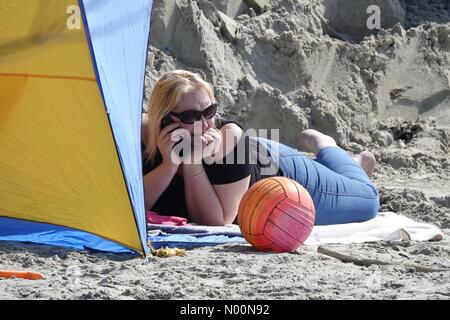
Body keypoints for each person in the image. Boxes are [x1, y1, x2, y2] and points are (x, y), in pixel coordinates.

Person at [141, 70, 379, 226]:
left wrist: (192, 164)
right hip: (256, 154)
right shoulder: (143, 133)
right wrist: (169, 163)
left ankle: (331, 149)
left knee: (368, 200)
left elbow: (217, 222)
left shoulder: (228, 140)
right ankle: (345, 166)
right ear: (164, 119)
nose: (205, 124)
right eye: (192, 116)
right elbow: (132, 205)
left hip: (288, 177)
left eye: (209, 112)